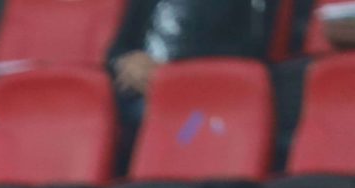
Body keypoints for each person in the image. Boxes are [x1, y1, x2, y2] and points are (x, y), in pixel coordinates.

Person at [109, 0, 271, 119]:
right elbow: (117, 50)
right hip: (133, 94)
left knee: (188, 131)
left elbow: (243, 57)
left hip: (196, 106)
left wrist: (171, 76)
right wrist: (124, 62)